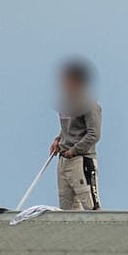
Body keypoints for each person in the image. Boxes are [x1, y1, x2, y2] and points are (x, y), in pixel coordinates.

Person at [49, 59, 102, 210]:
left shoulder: (90, 105)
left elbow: (94, 134)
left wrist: (74, 150)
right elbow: (68, 128)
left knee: (91, 206)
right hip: (63, 161)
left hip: (81, 160)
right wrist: (58, 140)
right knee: (67, 209)